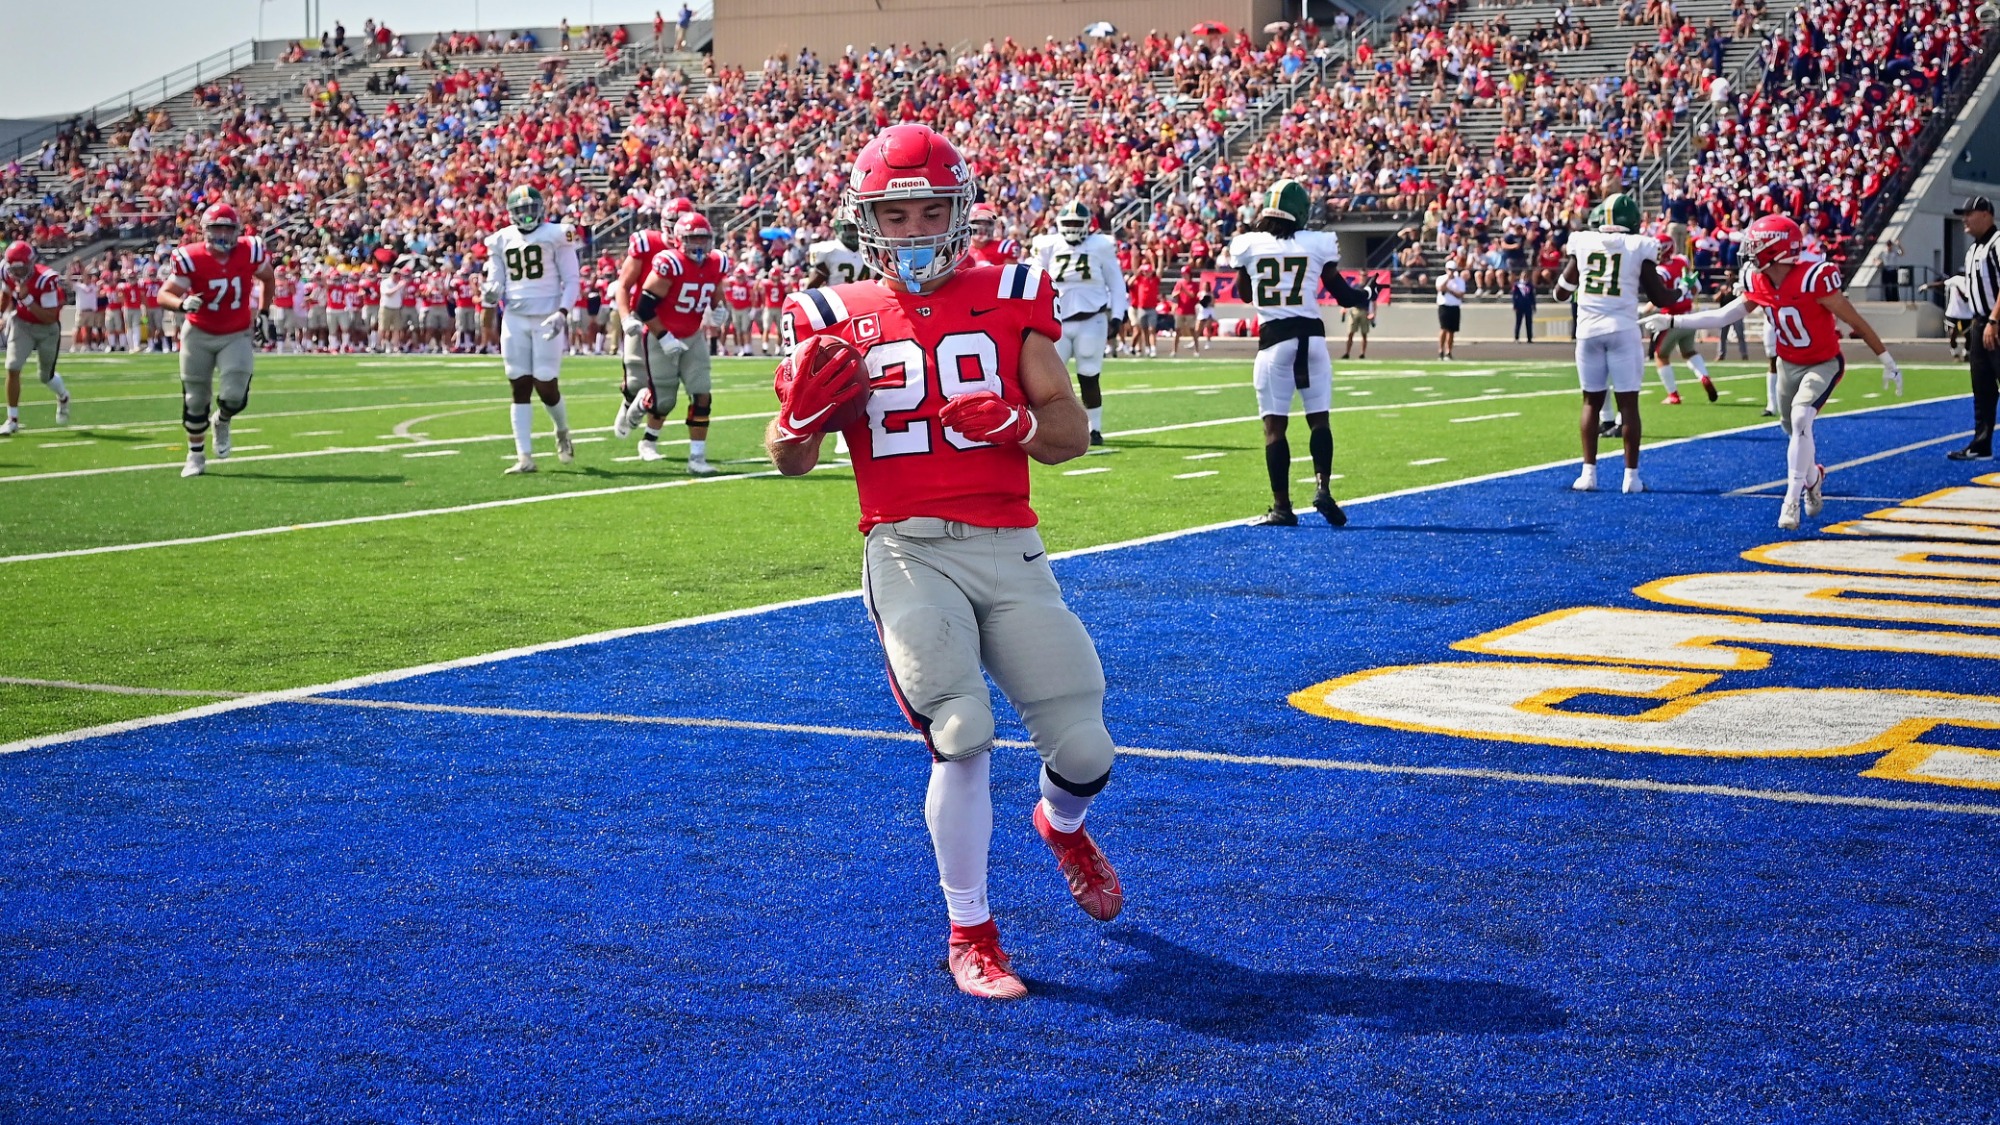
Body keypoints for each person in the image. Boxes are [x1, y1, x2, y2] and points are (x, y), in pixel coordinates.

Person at [765, 123, 1120, 1001]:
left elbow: (1069, 432)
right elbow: (789, 456)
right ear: (867, 221)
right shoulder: (829, 313)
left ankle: (1060, 823)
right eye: (896, 214)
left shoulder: (1012, 292)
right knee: (959, 733)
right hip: (907, 545)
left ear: (959, 212)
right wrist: (797, 422)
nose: (916, 228)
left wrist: (1019, 424)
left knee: (1086, 748)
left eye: (931, 211)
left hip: (1010, 544)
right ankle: (972, 933)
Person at [1644, 215, 1901, 529]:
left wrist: (1886, 359)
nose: (1749, 251)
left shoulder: (1813, 278)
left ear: (1776, 249)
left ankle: (1791, 500)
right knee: (1793, 429)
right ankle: (1813, 477)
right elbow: (1724, 316)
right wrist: (1673, 321)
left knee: (1801, 418)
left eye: (1756, 245)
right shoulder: (1759, 280)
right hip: (1787, 363)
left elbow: (1855, 321)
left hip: (1823, 362)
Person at [1229, 179, 1371, 527]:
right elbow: (1343, 295)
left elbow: (1244, 294)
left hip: (1275, 341)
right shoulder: (1317, 243)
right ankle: (1323, 488)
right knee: (1319, 419)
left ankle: (1282, 507)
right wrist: (1367, 293)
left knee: (1275, 427)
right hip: (1313, 339)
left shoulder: (1247, 244)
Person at [1552, 193, 1677, 494]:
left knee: (1590, 402)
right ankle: (1631, 478)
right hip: (1622, 330)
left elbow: (1560, 293)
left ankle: (1588, 474)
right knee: (1628, 404)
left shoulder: (1583, 242)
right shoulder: (1638, 246)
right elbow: (1659, 297)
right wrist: (1681, 292)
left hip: (1588, 332)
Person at [157, 204, 276, 478]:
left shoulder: (249, 250)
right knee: (195, 398)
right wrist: (182, 304)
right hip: (199, 332)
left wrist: (264, 313)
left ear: (237, 231)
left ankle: (222, 420)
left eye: (227, 228)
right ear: (205, 231)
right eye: (216, 228)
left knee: (235, 395)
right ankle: (195, 455)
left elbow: (268, 278)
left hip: (235, 332)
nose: (222, 234)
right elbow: (164, 294)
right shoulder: (191, 256)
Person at [484, 184, 580, 475]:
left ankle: (561, 430)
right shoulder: (500, 239)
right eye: (521, 211)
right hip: (515, 316)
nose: (526, 216)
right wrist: (491, 292)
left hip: (548, 315)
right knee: (519, 383)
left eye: (530, 209)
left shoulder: (557, 234)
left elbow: (572, 279)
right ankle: (524, 456)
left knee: (546, 382)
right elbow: (496, 279)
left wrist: (562, 312)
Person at [626, 212, 725, 474]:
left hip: (692, 335)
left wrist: (720, 310)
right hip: (661, 336)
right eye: (693, 238)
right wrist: (664, 336)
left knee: (702, 394)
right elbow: (644, 307)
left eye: (703, 238)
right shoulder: (671, 263)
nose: (699, 244)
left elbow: (716, 293)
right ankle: (644, 405)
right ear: (680, 239)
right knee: (664, 403)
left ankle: (697, 458)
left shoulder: (716, 263)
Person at [1032, 201, 1127, 443]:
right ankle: (1047, 428)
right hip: (1056, 322)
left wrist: (1118, 316)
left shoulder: (1100, 245)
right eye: (1070, 222)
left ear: (1087, 224)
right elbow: (1034, 280)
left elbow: (1116, 283)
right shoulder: (1048, 245)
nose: (1073, 227)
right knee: (1048, 379)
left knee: (1089, 374)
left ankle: (1095, 429)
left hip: (1091, 318)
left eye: (1077, 223)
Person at [1, 241, 72, 434]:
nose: (17, 273)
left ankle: (63, 396)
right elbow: (6, 294)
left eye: (21, 268)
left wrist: (27, 300)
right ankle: (12, 419)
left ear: (31, 263)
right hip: (22, 324)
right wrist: (1, 315)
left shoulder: (45, 279)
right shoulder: (6, 271)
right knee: (12, 367)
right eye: (13, 269)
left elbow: (50, 317)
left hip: (47, 329)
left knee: (45, 376)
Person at [1951, 196, 2000, 461]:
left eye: (1969, 213)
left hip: (1995, 323)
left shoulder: (1997, 243)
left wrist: (1994, 320)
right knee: (1982, 387)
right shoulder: (1972, 251)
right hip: (1979, 322)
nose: (1964, 219)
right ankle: (1981, 444)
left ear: (1985, 214)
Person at [1648, 235, 1717, 404]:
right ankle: (1704, 376)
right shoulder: (1681, 261)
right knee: (1689, 351)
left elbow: (1659, 295)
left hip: (1671, 319)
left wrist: (1647, 308)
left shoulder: (1661, 271)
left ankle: (1673, 395)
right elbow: (1696, 287)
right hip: (1689, 317)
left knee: (1661, 356)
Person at [806, 207, 869, 287]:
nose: (855, 231)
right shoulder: (828, 251)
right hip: (837, 295)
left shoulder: (873, 251)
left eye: (858, 227)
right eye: (851, 227)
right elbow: (812, 287)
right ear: (839, 227)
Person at [1435, 261, 1466, 358]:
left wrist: (1450, 291)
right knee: (1444, 328)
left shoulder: (1460, 281)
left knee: (1452, 331)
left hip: (1454, 306)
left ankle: (1448, 351)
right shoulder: (1441, 278)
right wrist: (1448, 279)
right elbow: (1440, 288)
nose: (1451, 272)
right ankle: (1441, 350)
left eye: (1453, 270)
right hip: (1444, 305)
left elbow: (1460, 294)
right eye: (1449, 270)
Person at [1510, 272, 1536, 343]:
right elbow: (1514, 296)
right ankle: (1516, 338)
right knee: (1518, 322)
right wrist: (1514, 305)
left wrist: (1534, 306)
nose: (1524, 277)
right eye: (1523, 276)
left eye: (1526, 276)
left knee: (1529, 322)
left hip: (1528, 306)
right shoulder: (1516, 285)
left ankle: (1529, 338)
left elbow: (1532, 296)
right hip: (1519, 306)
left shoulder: (1530, 285)